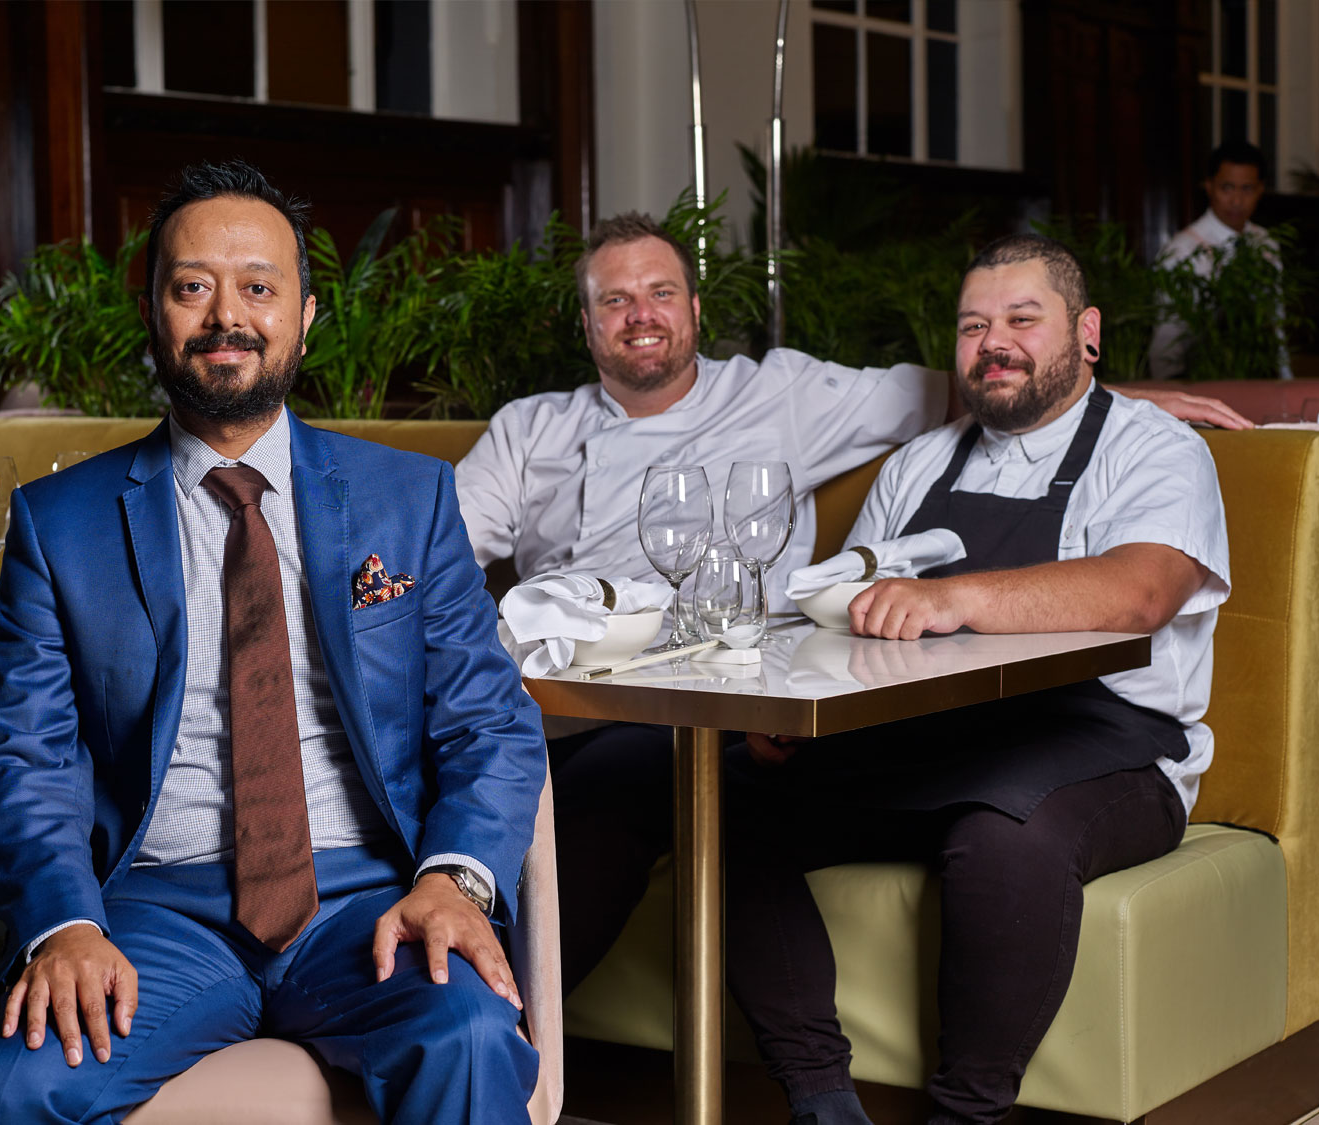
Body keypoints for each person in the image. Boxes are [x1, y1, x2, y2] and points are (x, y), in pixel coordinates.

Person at [453, 212, 1247, 993]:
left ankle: (497, 1048)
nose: (641, 316)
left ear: (696, 310)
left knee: (619, 798)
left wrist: (1099, 392)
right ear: (586, 324)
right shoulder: (528, 429)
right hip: (540, 703)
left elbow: (990, 381)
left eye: (661, 292)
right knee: (477, 785)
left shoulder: (786, 395)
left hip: (689, 706)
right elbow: (440, 551)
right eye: (615, 302)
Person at [0, 159, 546, 1125]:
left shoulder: (410, 499)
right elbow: (21, 754)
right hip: (156, 911)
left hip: (368, 900)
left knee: (469, 1032)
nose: (226, 315)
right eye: (193, 286)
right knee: (21, 1088)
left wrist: (455, 878)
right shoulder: (59, 523)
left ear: (306, 314)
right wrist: (64, 922)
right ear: (153, 312)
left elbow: (489, 723)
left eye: (259, 287)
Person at [724, 234, 1229, 1125]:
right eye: (972, 325)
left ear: (1088, 333)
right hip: (925, 739)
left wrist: (951, 596)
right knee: (716, 801)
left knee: (1004, 831)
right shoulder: (919, 464)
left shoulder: (1157, 448)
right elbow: (849, 609)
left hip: (1114, 749)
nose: (994, 342)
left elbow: (1140, 590)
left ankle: (968, 1115)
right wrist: (794, 709)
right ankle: (819, 1095)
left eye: (1023, 320)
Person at [1148, 140, 1289, 378]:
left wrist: (1285, 379)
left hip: (1259, 378)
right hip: (1201, 379)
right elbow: (1167, 337)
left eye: (1247, 189)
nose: (1236, 201)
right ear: (1209, 186)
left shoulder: (1266, 244)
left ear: (1260, 190)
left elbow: (1276, 322)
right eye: (1227, 188)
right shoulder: (1183, 249)